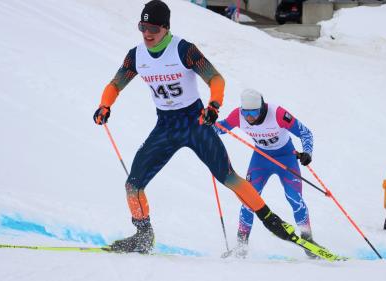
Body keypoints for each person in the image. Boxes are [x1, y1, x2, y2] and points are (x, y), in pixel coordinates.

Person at [93, 0, 301, 254]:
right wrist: (105, 105)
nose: (147, 34)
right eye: (142, 27)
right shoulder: (136, 55)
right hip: (166, 126)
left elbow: (215, 78)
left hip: (196, 122)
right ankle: (143, 236)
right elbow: (115, 84)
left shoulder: (184, 50)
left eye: (153, 29)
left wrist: (213, 105)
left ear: (166, 28)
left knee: (229, 178)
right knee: (133, 185)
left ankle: (273, 222)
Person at [215, 89, 316, 258]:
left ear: (262, 108)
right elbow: (219, 128)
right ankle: (241, 246)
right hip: (261, 159)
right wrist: (205, 126)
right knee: (248, 200)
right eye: (246, 113)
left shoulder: (278, 113)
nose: (249, 117)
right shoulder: (237, 115)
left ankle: (309, 241)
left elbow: (306, 133)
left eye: (253, 112)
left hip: (286, 158)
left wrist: (307, 153)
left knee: (294, 198)